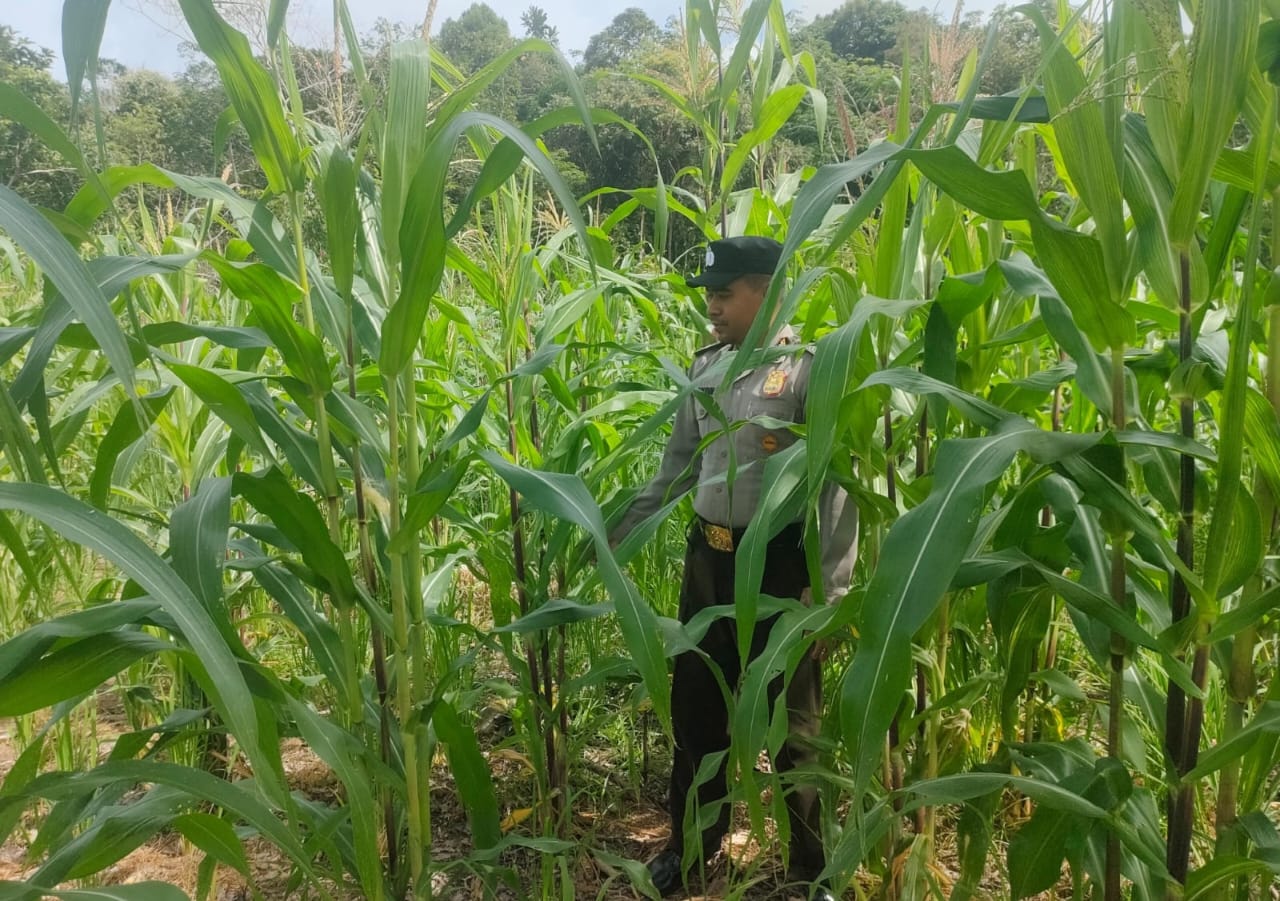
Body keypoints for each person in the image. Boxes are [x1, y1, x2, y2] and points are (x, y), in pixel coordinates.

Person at [609, 235, 857, 901]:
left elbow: (836, 488)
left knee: (793, 730)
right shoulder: (707, 369)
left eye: (724, 294)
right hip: (707, 564)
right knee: (696, 713)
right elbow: (675, 472)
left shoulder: (806, 370)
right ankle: (691, 846)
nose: (712, 307)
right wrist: (612, 535)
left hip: (780, 569)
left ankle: (812, 871)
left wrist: (829, 592)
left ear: (766, 291)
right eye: (709, 296)